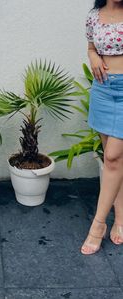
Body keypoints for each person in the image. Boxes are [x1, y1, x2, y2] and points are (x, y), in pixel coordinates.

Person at [82, 0, 123, 255]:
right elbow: (90, 47)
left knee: (113, 157)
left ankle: (98, 226)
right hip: (102, 90)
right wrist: (94, 55)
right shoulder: (94, 16)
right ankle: (120, 219)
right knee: (116, 163)